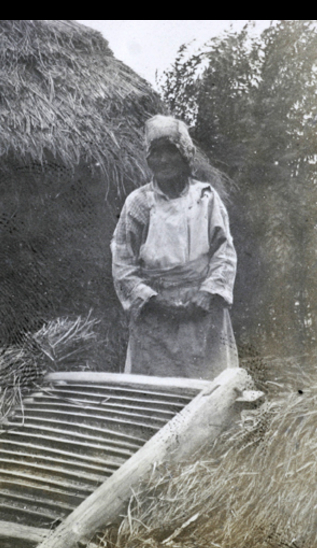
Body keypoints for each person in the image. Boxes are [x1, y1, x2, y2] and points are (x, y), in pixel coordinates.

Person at [111, 115, 238, 379]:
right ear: (148, 159)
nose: (164, 160)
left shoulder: (206, 198)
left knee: (208, 388)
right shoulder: (138, 203)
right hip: (156, 315)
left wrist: (207, 293)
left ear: (185, 155)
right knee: (155, 393)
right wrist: (153, 301)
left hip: (202, 311)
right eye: (156, 153)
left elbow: (224, 252)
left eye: (171, 151)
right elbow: (122, 262)